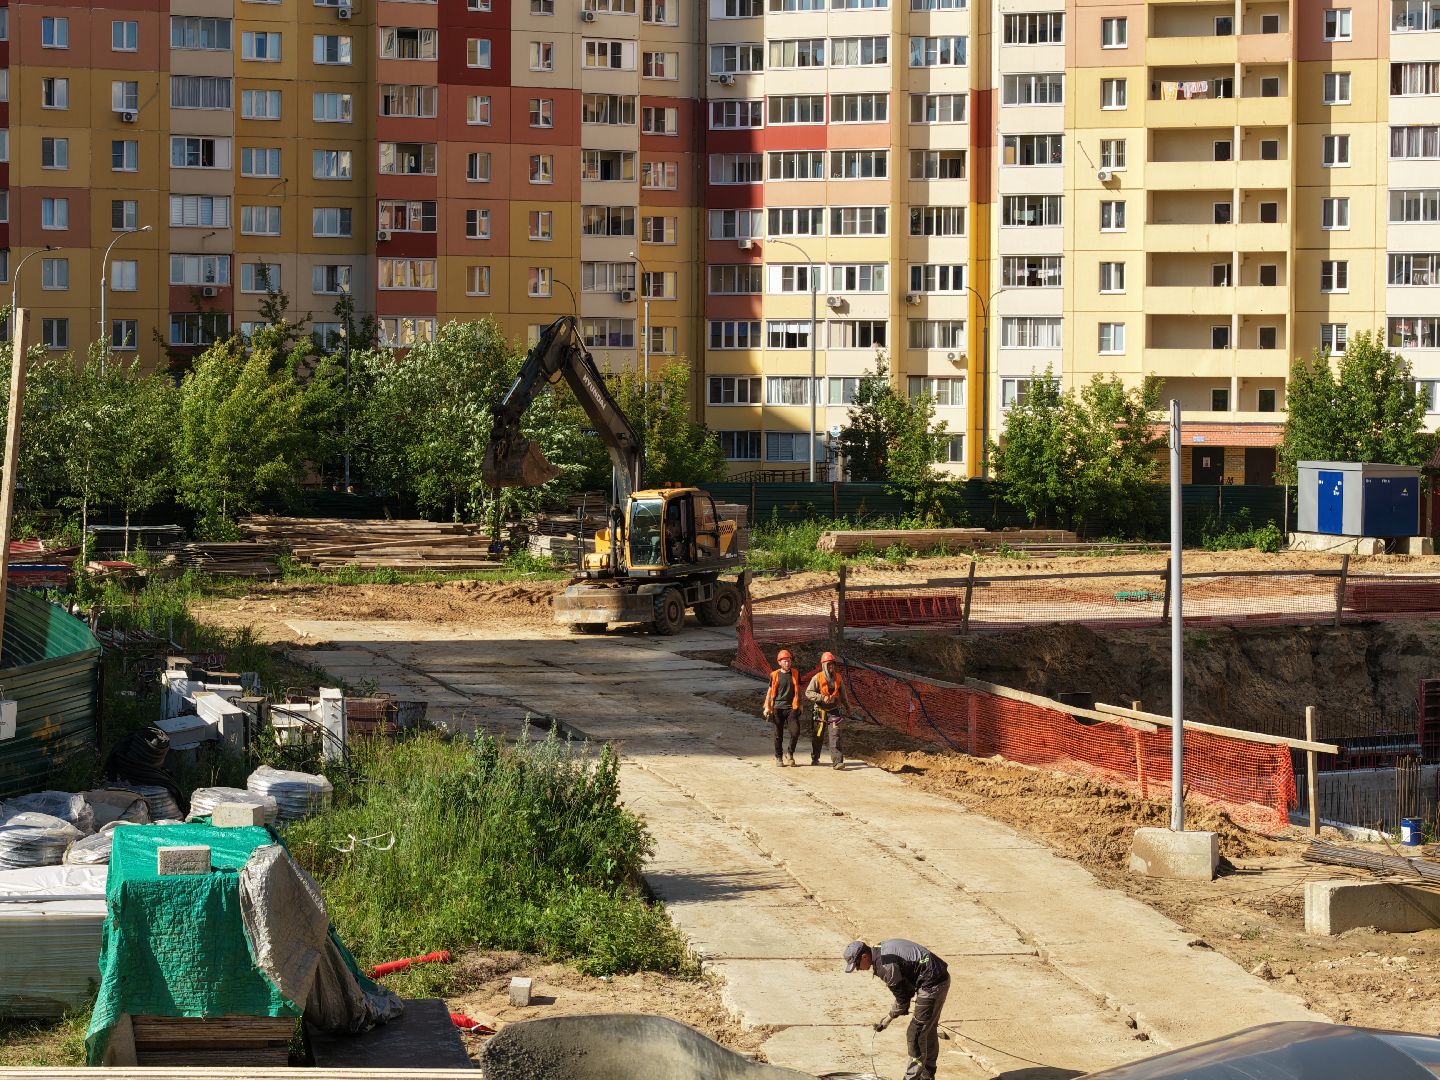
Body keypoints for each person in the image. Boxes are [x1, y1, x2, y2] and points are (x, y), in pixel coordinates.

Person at [844, 939, 951, 1080]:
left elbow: (903, 999)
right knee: (928, 1029)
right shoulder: (878, 949)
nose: (858, 969)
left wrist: (888, 1019)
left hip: (932, 983)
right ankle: (928, 1074)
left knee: (916, 1033)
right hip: (937, 976)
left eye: (857, 965)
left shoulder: (885, 965)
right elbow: (906, 988)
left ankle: (913, 1077)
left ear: (864, 957)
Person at [805, 651, 850, 768]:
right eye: (829, 664)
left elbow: (843, 695)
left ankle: (837, 761)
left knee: (835, 735)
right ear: (824, 665)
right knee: (818, 735)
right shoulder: (817, 678)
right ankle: (815, 758)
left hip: (834, 710)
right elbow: (808, 692)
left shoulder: (838, 678)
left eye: (833, 664)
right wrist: (821, 697)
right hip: (820, 711)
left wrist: (847, 707)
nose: (831, 667)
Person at [762, 649, 801, 766]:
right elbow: (769, 691)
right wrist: (767, 706)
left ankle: (790, 754)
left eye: (789, 661)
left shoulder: (795, 673)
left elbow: (799, 690)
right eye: (785, 661)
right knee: (778, 735)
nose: (787, 663)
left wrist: (801, 705)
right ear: (779, 662)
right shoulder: (774, 675)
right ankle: (779, 757)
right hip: (778, 708)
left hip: (792, 708)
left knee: (795, 732)